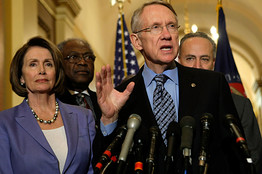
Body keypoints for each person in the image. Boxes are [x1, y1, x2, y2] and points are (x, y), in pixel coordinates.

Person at [95, 1, 249, 174]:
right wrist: (109, 120)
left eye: (172, 26)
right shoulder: (122, 95)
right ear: (137, 41)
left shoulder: (212, 84)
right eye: (155, 27)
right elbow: (107, 166)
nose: (167, 34)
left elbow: (236, 156)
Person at [0, 36, 95, 174]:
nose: (42, 70)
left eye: (48, 64)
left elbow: (92, 169)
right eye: (33, 64)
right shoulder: (4, 123)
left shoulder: (83, 117)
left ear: (56, 72)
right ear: (21, 76)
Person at [178, 31, 262, 173]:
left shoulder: (240, 106)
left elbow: (254, 158)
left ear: (213, 63)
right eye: (190, 58)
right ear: (179, 61)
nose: (197, 66)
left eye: (204, 59)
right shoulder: (169, 101)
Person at [57, 38, 101, 125]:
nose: (82, 62)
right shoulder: (52, 101)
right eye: (74, 57)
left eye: (88, 57)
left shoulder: (101, 101)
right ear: (59, 63)